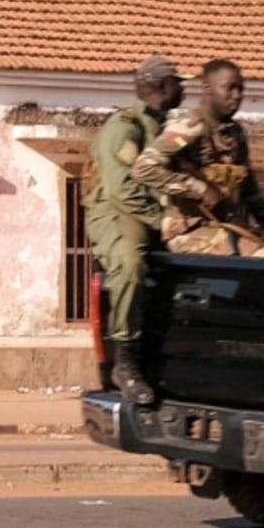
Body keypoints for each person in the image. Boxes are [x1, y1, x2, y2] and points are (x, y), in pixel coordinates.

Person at [84, 55, 186, 405]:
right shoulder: (124, 127)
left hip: (155, 212)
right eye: (177, 81)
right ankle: (124, 360)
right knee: (130, 261)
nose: (183, 87)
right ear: (159, 86)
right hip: (115, 211)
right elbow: (120, 189)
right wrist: (162, 223)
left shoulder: (168, 129)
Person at [131, 59, 264, 258]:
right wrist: (200, 190)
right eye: (229, 88)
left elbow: (250, 190)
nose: (237, 96)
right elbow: (144, 168)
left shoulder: (235, 134)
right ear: (207, 88)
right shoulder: (189, 127)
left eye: (240, 89)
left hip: (228, 227)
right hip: (190, 230)